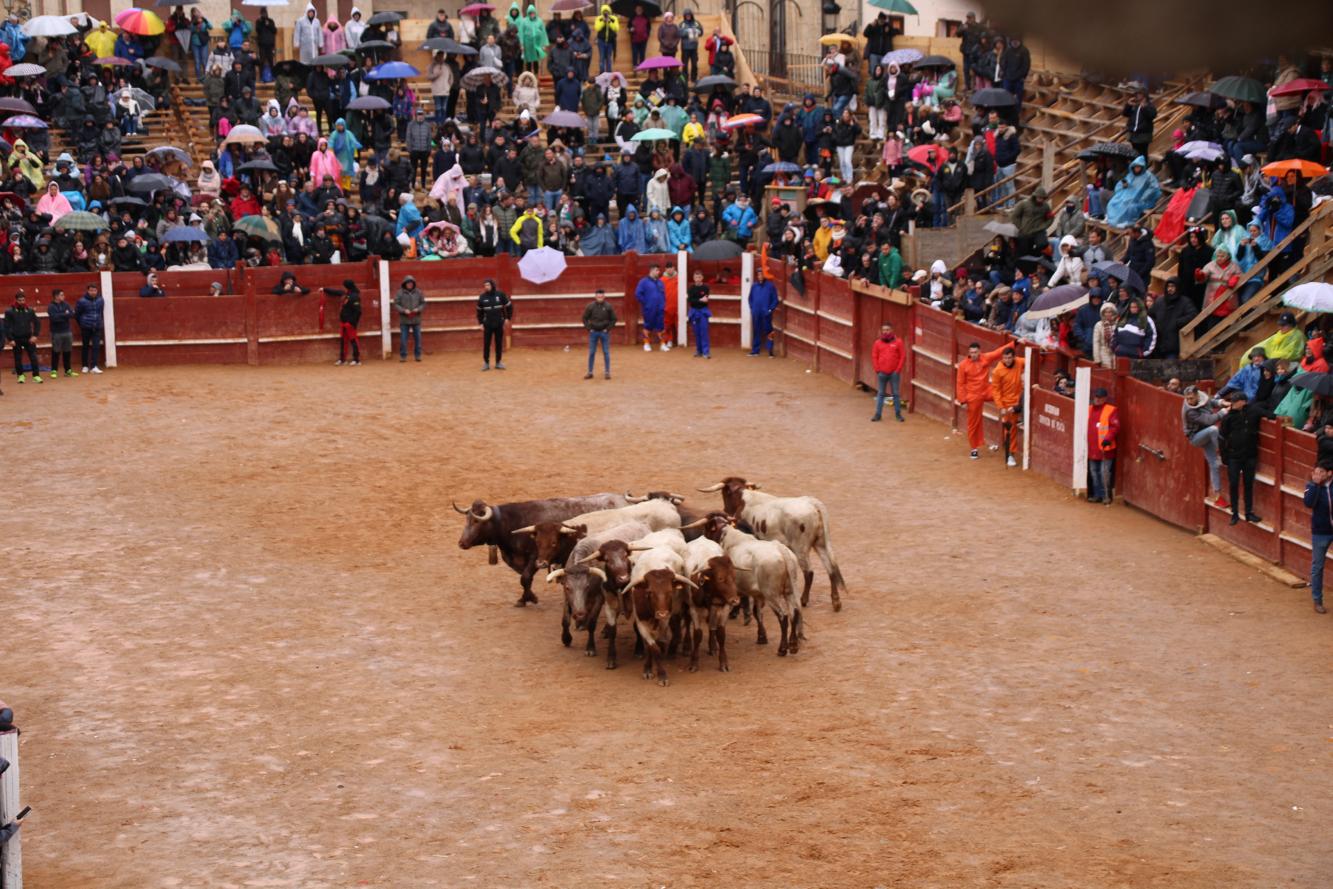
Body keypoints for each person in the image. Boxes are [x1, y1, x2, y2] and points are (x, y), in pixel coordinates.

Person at [1219, 390, 1270, 526]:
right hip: (1234, 456)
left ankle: (1248, 513)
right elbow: (1222, 437)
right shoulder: (1228, 418)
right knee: (1234, 484)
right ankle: (1235, 513)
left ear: (1243, 402)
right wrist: (1225, 457)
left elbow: (1270, 415)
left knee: (1248, 484)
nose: (1233, 404)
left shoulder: (1254, 411)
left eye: (1235, 401)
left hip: (1249, 455)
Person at [955, 341, 1009, 459]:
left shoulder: (986, 358)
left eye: (975, 352)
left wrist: (1015, 343)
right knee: (973, 423)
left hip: (986, 390)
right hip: (973, 396)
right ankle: (974, 448)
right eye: (971, 352)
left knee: (1002, 394)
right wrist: (962, 399)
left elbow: (999, 352)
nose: (973, 354)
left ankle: (1009, 414)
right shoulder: (963, 365)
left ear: (980, 352)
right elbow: (960, 383)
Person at [1182, 386, 1227, 509]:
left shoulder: (1202, 397)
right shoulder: (1189, 411)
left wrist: (1223, 402)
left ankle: (1218, 496)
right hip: (1196, 437)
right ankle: (1223, 453)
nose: (1189, 401)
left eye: (1191, 398)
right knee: (1213, 429)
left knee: (1214, 465)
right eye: (1187, 399)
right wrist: (1223, 411)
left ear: (1197, 395)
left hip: (1206, 435)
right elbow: (1209, 421)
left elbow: (1211, 402)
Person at [1304, 462, 1333, 614]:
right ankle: (1317, 600)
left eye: (1321, 472)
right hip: (1320, 531)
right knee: (1318, 566)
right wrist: (1315, 485)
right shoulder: (1311, 486)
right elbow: (1308, 503)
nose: (1318, 475)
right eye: (1316, 472)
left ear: (1329, 473)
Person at [991, 345, 1025, 466]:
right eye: (1005, 358)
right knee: (1011, 429)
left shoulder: (1019, 362)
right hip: (1007, 404)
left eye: (1009, 358)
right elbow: (996, 390)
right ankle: (1010, 454)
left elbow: (1032, 360)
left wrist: (1041, 353)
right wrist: (1001, 407)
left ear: (1013, 357)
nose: (1007, 360)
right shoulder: (997, 371)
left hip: (1020, 401)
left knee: (1012, 429)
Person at [1087, 386, 1119, 504]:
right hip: (1092, 447)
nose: (1097, 399)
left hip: (1106, 448)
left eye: (1100, 397)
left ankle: (1106, 496)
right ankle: (1097, 495)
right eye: (1096, 397)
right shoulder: (1089, 409)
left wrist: (1108, 438)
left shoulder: (1111, 410)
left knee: (1104, 473)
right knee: (1094, 472)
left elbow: (1115, 427)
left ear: (1105, 398)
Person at [871, 322, 905, 423]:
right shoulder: (877, 343)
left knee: (895, 394)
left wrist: (898, 370)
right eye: (884, 330)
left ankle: (898, 414)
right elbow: (874, 356)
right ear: (881, 331)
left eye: (888, 330)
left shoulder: (898, 342)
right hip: (882, 372)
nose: (886, 332)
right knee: (881, 393)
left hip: (894, 373)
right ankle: (878, 414)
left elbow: (902, 356)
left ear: (892, 330)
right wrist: (877, 369)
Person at [477, 278, 513, 371]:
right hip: (487, 324)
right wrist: (480, 323)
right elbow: (479, 312)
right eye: (485, 285)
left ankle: (498, 362)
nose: (486, 287)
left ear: (492, 285)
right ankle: (486, 363)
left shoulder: (500, 295)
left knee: (499, 343)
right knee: (486, 344)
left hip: (498, 323)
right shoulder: (482, 297)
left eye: (488, 285)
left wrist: (507, 318)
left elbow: (509, 306)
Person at [5, 290, 40, 384]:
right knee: (18, 358)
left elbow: (37, 323)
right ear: (16, 300)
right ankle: (20, 375)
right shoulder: (9, 312)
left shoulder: (29, 310)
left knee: (33, 357)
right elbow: (6, 326)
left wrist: (35, 335)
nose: (22, 302)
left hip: (28, 337)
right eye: (20, 300)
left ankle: (36, 376)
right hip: (16, 338)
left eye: (23, 300)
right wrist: (10, 339)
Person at [323, 280, 361, 366]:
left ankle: (356, 359)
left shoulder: (354, 296)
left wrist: (352, 323)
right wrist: (324, 289)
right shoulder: (347, 294)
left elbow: (358, 311)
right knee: (343, 341)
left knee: (353, 340)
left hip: (350, 323)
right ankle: (342, 359)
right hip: (344, 322)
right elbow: (336, 292)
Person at [582, 288, 615, 379]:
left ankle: (607, 372)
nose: (600, 297)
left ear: (604, 296)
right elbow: (584, 318)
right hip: (594, 332)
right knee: (592, 352)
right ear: (595, 296)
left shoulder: (608, 306)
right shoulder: (590, 306)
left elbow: (614, 319)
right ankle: (590, 372)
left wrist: (607, 329)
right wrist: (589, 329)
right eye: (598, 296)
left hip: (604, 332)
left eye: (601, 296)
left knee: (606, 352)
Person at [634, 264, 667, 351]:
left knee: (661, 326)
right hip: (649, 308)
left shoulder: (660, 282)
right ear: (651, 270)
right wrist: (646, 303)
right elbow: (638, 294)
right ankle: (646, 343)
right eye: (657, 270)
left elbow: (663, 295)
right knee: (648, 325)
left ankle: (663, 344)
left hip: (660, 308)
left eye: (659, 271)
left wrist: (663, 304)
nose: (658, 272)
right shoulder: (643, 282)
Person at [747, 268, 779, 357]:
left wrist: (770, 309)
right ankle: (755, 351)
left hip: (766, 313)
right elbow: (750, 299)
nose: (760, 276)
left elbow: (775, 300)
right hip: (756, 313)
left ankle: (770, 351)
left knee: (769, 330)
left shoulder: (770, 286)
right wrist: (752, 308)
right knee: (756, 330)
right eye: (758, 275)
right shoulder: (754, 286)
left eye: (761, 274)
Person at [46, 289, 77, 379]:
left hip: (67, 331)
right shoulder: (51, 306)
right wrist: (65, 314)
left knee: (67, 351)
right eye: (61, 295)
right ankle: (54, 370)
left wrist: (62, 315)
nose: (63, 296)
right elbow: (54, 318)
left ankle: (68, 370)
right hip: (56, 332)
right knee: (56, 351)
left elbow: (72, 314)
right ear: (56, 296)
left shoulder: (66, 304)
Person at [75, 284, 106, 374]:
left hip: (96, 327)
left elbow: (100, 312)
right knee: (85, 346)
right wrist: (82, 323)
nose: (93, 292)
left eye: (94, 290)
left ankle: (94, 366)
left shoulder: (100, 300)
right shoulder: (81, 301)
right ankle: (85, 365)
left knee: (96, 347)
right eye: (91, 290)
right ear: (88, 291)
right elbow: (77, 315)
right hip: (86, 327)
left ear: (97, 291)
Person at [394, 274, 424, 362]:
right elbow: (396, 303)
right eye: (408, 283)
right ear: (405, 284)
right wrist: (403, 310)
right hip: (404, 320)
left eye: (411, 283)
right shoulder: (400, 292)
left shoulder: (418, 292)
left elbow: (423, 303)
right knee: (403, 339)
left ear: (413, 284)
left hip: (416, 319)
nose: (409, 285)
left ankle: (418, 355)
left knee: (418, 339)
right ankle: (403, 356)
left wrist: (418, 309)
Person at [686, 269, 711, 358]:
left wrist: (697, 301)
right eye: (696, 277)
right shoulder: (691, 288)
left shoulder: (706, 288)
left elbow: (705, 301)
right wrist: (700, 300)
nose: (697, 279)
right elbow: (690, 300)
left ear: (702, 278)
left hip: (703, 311)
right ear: (693, 278)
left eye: (699, 277)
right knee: (697, 332)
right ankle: (699, 351)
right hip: (694, 312)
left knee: (704, 332)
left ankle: (706, 352)